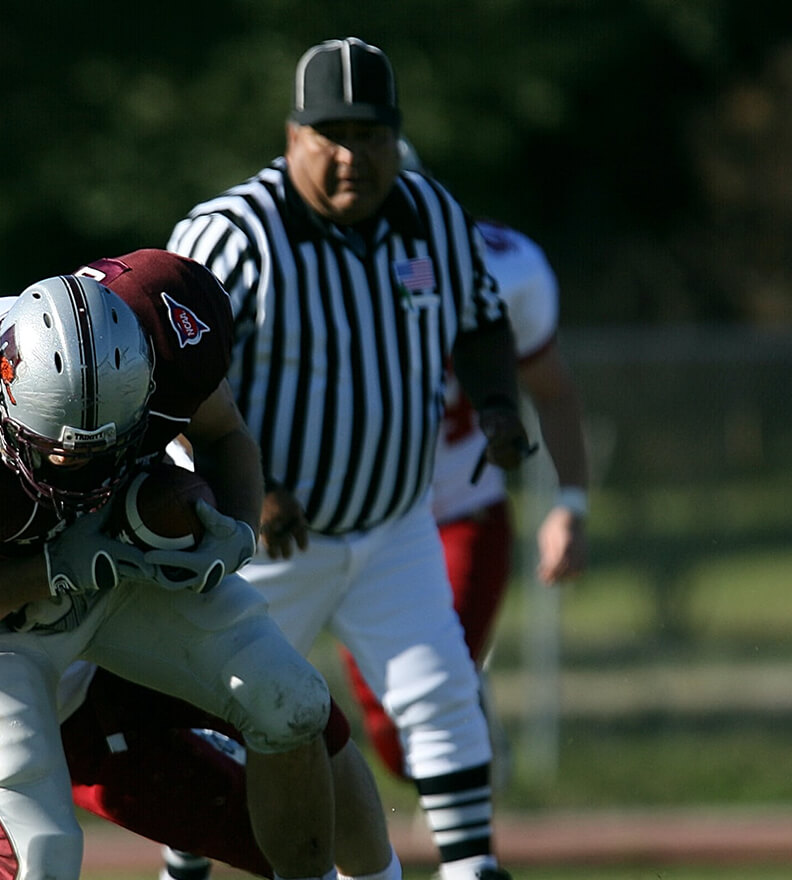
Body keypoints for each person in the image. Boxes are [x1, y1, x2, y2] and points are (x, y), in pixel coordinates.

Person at [0, 282, 401, 880]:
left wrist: (189, 514)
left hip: (120, 589)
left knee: (299, 714)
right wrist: (48, 571)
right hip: (45, 681)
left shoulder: (1, 344)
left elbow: (149, 424)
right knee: (37, 862)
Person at [167, 38, 531, 880]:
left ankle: (472, 866)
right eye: (328, 133)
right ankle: (181, 870)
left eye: (369, 134)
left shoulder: (429, 211)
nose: (349, 155)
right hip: (264, 540)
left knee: (440, 689)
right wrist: (245, 490)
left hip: (395, 524)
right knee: (219, 716)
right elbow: (171, 373)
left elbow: (479, 318)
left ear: (395, 139)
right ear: (290, 135)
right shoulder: (234, 233)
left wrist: (503, 407)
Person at [338, 166, 593, 779]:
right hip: (356, 522)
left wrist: (571, 503)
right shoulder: (289, 264)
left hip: (460, 507)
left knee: (429, 692)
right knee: (390, 729)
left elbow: (552, 392)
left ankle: (470, 853)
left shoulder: (502, 268)